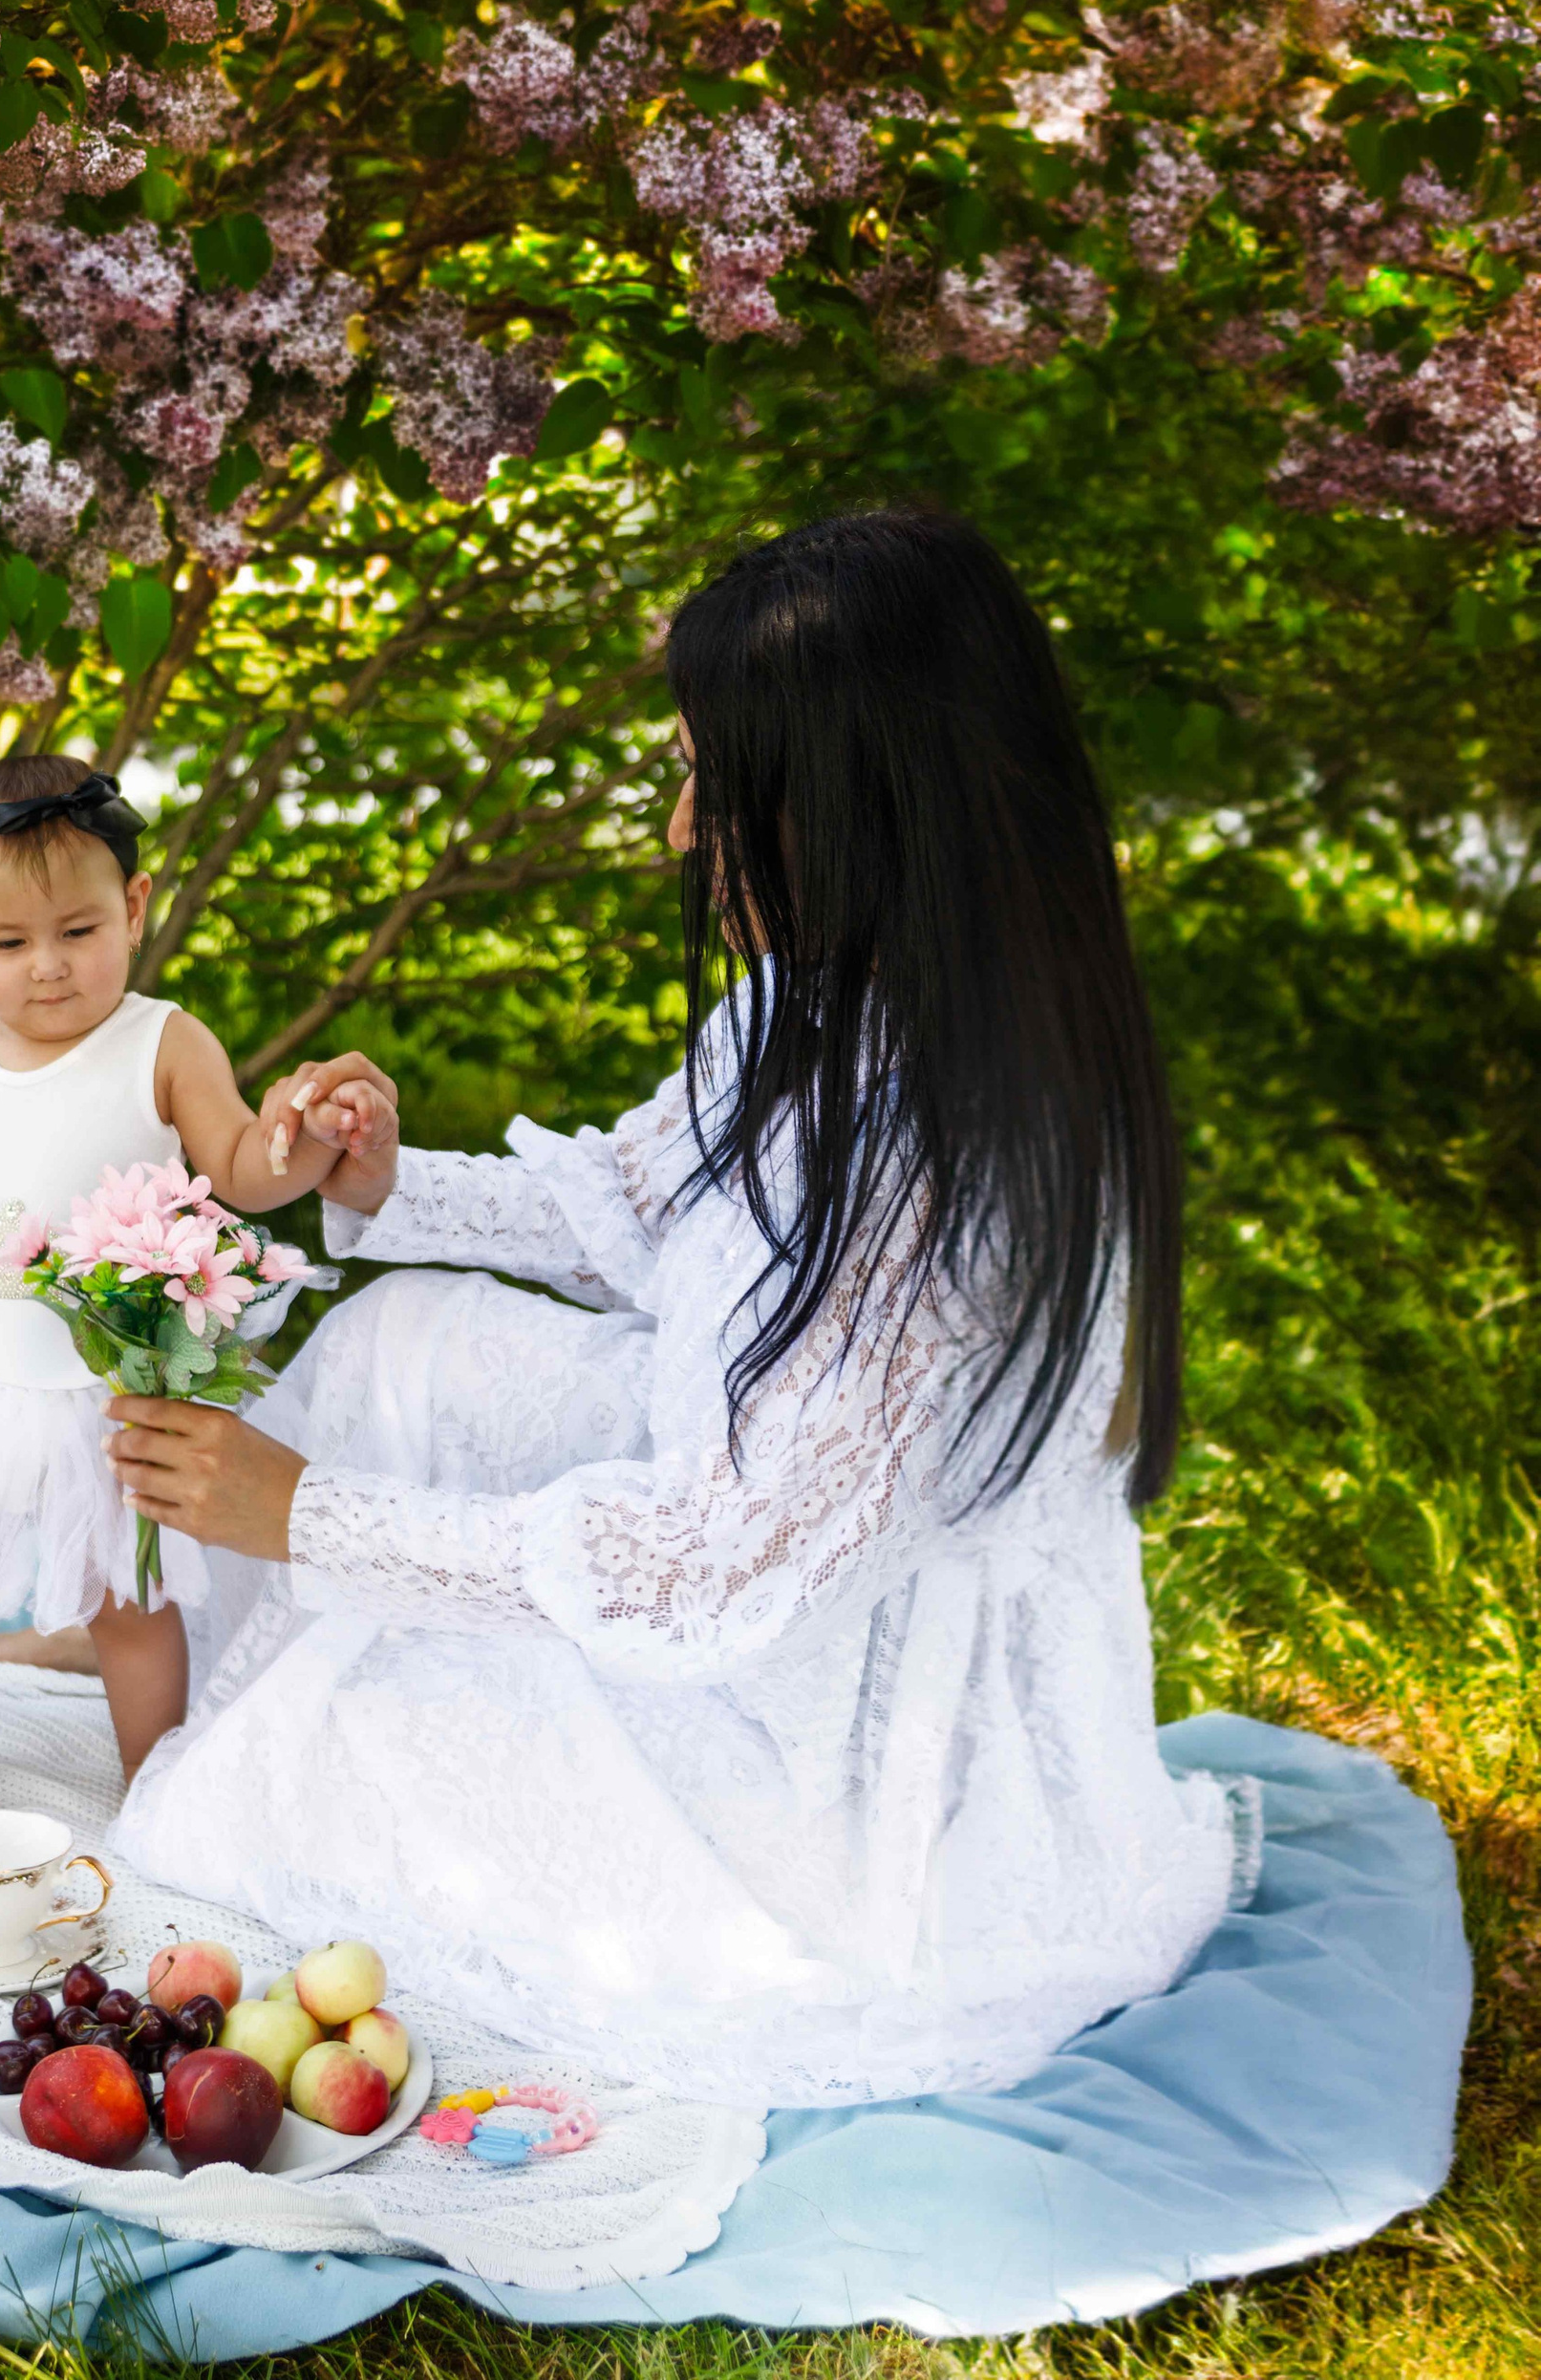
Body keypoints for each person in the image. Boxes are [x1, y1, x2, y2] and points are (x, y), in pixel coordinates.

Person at [105, 510, 1254, 2105]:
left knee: (256, 1796)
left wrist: (313, 1515)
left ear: (854, 805)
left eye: (716, 783)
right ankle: (187, 1622)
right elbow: (645, 1209)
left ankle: (279, 1657)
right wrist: (373, 1181)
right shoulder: (830, 997)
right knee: (396, 1338)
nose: (677, 828)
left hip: (848, 1761)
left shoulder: (945, 1158)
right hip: (753, 1521)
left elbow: (719, 1570)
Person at [0, 754, 389, 1854]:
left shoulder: (161, 1041)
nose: (49, 966)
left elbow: (240, 1170)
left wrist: (297, 1140)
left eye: (79, 929)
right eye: (9, 943)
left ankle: (156, 1791)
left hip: (104, 1389)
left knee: (129, 1602)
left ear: (136, 907)